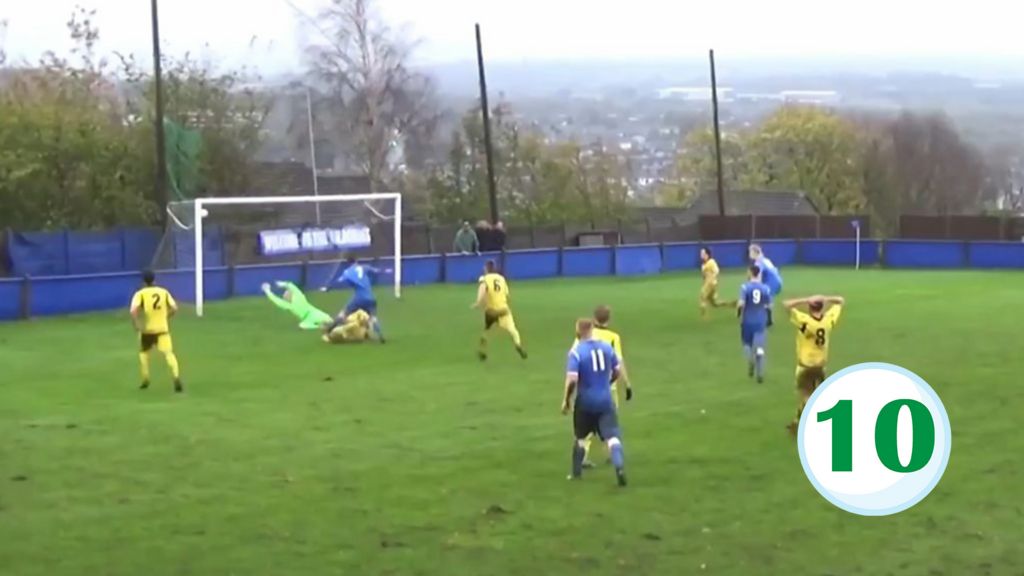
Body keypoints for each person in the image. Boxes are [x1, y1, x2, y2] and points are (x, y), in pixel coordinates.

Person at [562, 318, 627, 487]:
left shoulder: (576, 352)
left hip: (585, 401)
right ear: (592, 330)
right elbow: (617, 371)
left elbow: (572, 380)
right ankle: (619, 466)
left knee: (581, 437)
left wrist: (567, 400)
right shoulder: (606, 348)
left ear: (578, 332)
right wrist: (607, 383)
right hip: (605, 399)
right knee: (612, 437)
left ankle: (576, 474)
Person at [575, 305, 633, 468]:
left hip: (586, 388)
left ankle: (583, 456)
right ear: (609, 319)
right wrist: (627, 384)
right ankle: (611, 453)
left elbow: (576, 357)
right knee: (609, 422)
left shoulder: (586, 334)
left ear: (594, 318)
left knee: (584, 424)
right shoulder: (613, 337)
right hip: (608, 387)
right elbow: (618, 363)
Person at [783, 294, 845, 435]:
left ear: (809, 307)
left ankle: (814, 423)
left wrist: (805, 299)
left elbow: (786, 304)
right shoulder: (828, 320)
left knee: (806, 395)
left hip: (805, 365)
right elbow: (841, 301)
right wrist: (825, 298)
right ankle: (797, 421)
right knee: (811, 393)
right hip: (820, 364)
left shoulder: (805, 321)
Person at [130, 270, 183, 393]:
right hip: (162, 329)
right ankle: (176, 377)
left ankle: (145, 379)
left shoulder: (140, 294)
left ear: (143, 281)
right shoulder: (163, 292)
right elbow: (174, 308)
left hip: (147, 330)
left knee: (144, 354)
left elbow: (133, 311)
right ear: (154, 280)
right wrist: (167, 316)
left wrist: (137, 324)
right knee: (169, 354)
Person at [471, 259, 527, 360]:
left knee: (487, 331)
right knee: (513, 329)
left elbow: (483, 288)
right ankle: (518, 345)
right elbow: (507, 295)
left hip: (491, 310)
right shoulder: (501, 279)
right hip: (503, 310)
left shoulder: (485, 278)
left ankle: (482, 351)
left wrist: (478, 302)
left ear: (487, 269)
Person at [331, 255, 389, 343]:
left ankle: (330, 328)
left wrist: (328, 287)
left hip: (359, 298)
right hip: (371, 298)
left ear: (348, 263)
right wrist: (386, 271)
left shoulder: (347, 272)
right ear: (356, 261)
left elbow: (339, 281)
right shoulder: (364, 267)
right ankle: (380, 335)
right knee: (373, 317)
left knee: (344, 313)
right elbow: (377, 271)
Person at [737, 265, 772, 383]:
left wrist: (738, 313)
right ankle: (760, 372)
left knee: (746, 344)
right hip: (761, 320)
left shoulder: (745, 287)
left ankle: (750, 360)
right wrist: (770, 319)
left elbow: (741, 303)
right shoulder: (765, 288)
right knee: (760, 347)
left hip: (747, 320)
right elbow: (769, 306)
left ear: (750, 273)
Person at [262, 281, 333, 330]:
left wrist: (282, 284)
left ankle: (333, 324)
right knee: (302, 326)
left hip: (313, 313)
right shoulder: (288, 305)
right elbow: (276, 300)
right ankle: (322, 326)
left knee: (329, 320)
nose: (284, 295)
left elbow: (292, 287)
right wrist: (268, 291)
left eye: (286, 292)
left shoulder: (298, 297)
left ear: (291, 294)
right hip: (306, 319)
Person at [749, 244, 783, 326]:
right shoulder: (765, 260)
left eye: (750, 252)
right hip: (778, 281)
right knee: (766, 300)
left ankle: (766, 319)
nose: (749, 254)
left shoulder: (758, 263)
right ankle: (768, 319)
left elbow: (759, 275)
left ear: (755, 252)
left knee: (762, 299)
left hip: (771, 283)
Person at [699, 247, 724, 318]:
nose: (701, 254)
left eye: (702, 253)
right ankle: (730, 304)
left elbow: (717, 271)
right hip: (709, 283)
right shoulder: (704, 264)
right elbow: (704, 276)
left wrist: (712, 278)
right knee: (714, 303)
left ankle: (703, 317)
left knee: (702, 296)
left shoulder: (711, 262)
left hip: (711, 283)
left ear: (707, 254)